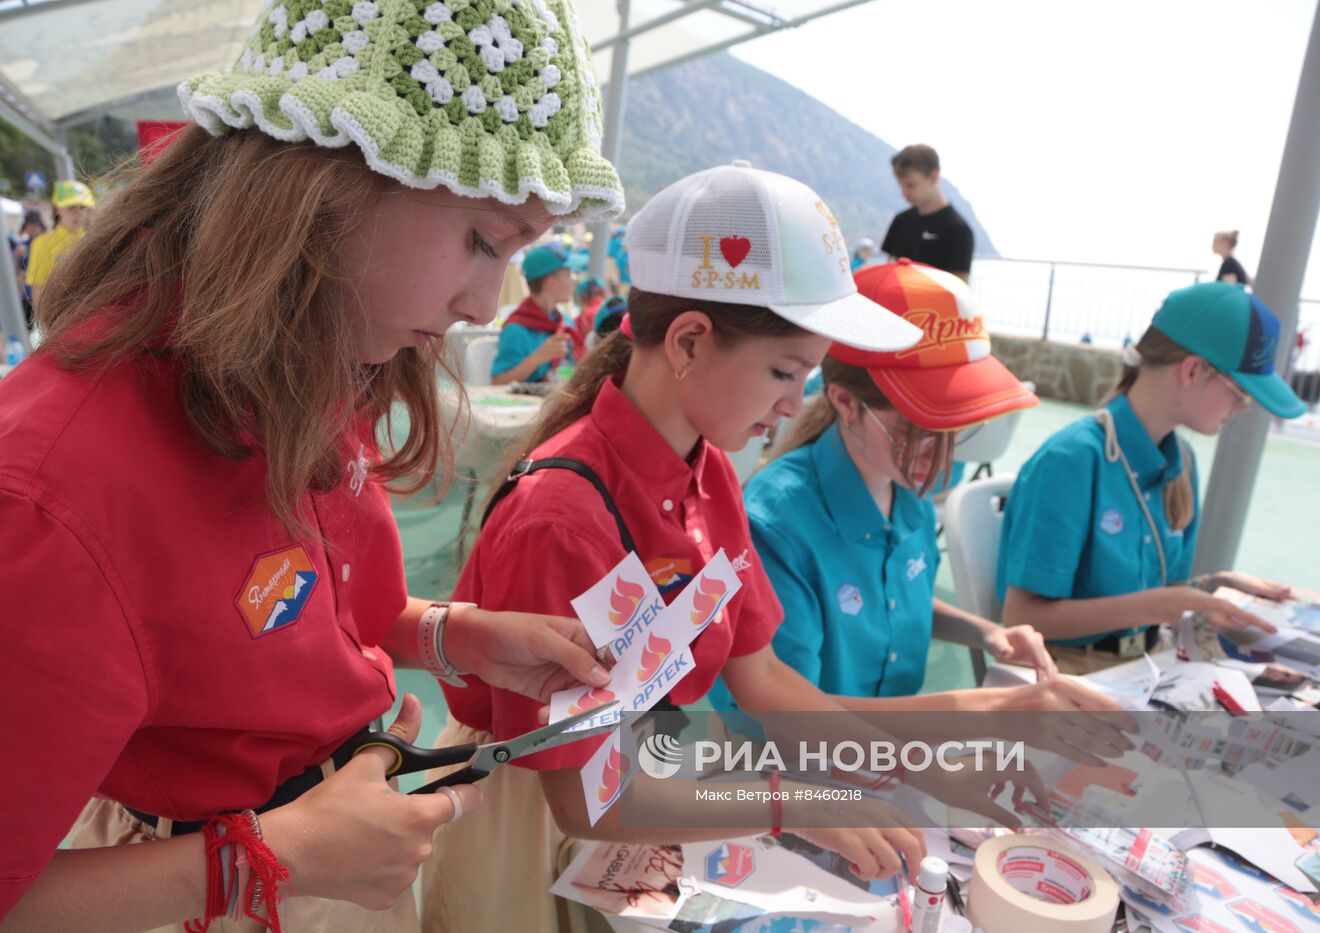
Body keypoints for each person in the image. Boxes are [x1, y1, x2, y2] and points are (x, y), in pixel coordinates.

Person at [0, 0, 626, 928]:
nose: (485, 299)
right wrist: (264, 860)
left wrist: (453, 634)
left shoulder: (310, 351)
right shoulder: (54, 488)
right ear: (319, 183)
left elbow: (279, 613)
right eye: (482, 240)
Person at [423, 164, 1079, 933]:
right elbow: (582, 793)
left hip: (652, 795)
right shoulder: (562, 519)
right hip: (529, 827)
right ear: (690, 341)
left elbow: (760, 672)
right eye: (783, 370)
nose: (794, 403)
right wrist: (791, 799)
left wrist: (894, 768)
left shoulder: (710, 471)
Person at [723, 260, 1102, 708]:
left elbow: (893, 597)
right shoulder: (777, 525)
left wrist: (987, 632)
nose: (939, 451)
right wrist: (989, 710)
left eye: (954, 420)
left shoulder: (905, 482)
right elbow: (793, 718)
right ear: (845, 401)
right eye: (918, 424)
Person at [998, 282, 1304, 674]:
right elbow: (1022, 617)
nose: (1243, 409)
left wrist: (1217, 586)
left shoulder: (1182, 462)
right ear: (1193, 370)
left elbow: (1164, 590)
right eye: (1241, 393)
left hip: (1144, 664)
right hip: (1068, 671)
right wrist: (1163, 606)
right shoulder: (1071, 460)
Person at [490, 243, 586, 384]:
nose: (574, 280)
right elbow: (497, 382)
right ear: (550, 282)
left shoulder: (564, 322)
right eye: (568, 274)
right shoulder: (516, 330)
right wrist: (538, 358)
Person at [881, 145, 974, 282]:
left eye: (911, 185)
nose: (904, 193)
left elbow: (960, 290)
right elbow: (888, 268)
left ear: (934, 177)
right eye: (901, 185)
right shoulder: (900, 220)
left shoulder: (958, 230)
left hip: (932, 303)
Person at [27, 180, 97, 310]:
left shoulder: (95, 240)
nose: (78, 213)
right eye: (71, 207)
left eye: (82, 207)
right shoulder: (42, 243)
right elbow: (38, 288)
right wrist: (45, 325)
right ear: (58, 209)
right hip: (60, 315)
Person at [12, 211, 47, 328]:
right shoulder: (23, 245)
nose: (32, 229)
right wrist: (17, 256)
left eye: (35, 225)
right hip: (27, 292)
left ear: (41, 226)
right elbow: (16, 271)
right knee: (25, 327)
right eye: (29, 226)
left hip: (44, 291)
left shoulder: (48, 243)